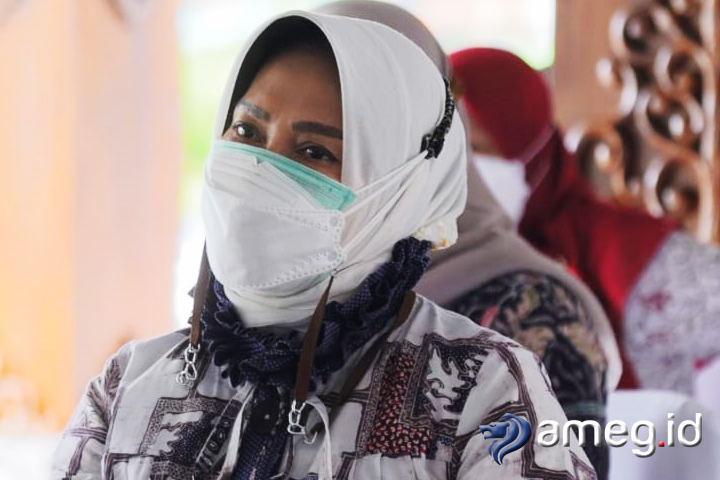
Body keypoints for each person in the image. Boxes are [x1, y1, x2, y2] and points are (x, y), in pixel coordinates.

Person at [50, 12, 597, 480]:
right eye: (246, 133)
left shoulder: (485, 389)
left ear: (399, 186)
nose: (265, 168)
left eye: (314, 151)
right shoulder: (128, 384)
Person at [315, 4, 620, 479]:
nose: (308, 172)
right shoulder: (255, 319)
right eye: (256, 133)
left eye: (351, 131)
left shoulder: (536, 317)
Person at [449, 47, 720, 396]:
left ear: (528, 147)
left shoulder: (627, 253)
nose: (463, 170)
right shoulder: (406, 254)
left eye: (476, 150)